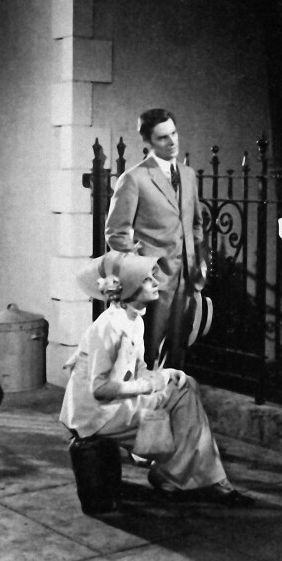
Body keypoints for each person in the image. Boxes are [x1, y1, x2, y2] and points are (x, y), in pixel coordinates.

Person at [60, 250, 253, 506]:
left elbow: (137, 368)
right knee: (182, 398)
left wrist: (166, 375)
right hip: (97, 415)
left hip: (112, 407)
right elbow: (100, 388)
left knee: (186, 386)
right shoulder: (109, 327)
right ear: (129, 288)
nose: (155, 283)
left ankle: (183, 475)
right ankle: (195, 479)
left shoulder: (134, 320)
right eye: (147, 280)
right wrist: (149, 385)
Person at [105, 108, 206, 369]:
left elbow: (196, 223)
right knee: (147, 355)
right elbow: (115, 233)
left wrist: (199, 261)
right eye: (163, 137)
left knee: (178, 354)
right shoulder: (134, 179)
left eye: (174, 133)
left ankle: (171, 394)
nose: (172, 142)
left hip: (186, 280)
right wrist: (143, 270)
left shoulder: (188, 175)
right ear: (148, 142)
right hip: (154, 284)